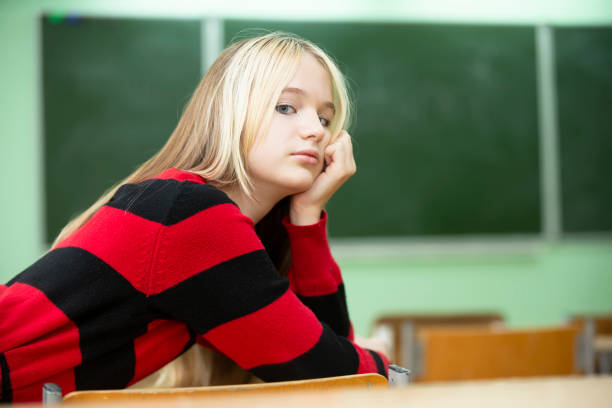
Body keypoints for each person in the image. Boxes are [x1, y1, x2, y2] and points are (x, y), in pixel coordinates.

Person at [0, 31, 389, 403]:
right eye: (286, 107)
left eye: (325, 118)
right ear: (230, 114)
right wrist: (383, 362)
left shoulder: (226, 231)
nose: (315, 132)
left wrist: (307, 214)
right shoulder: (189, 214)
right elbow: (333, 373)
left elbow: (328, 367)